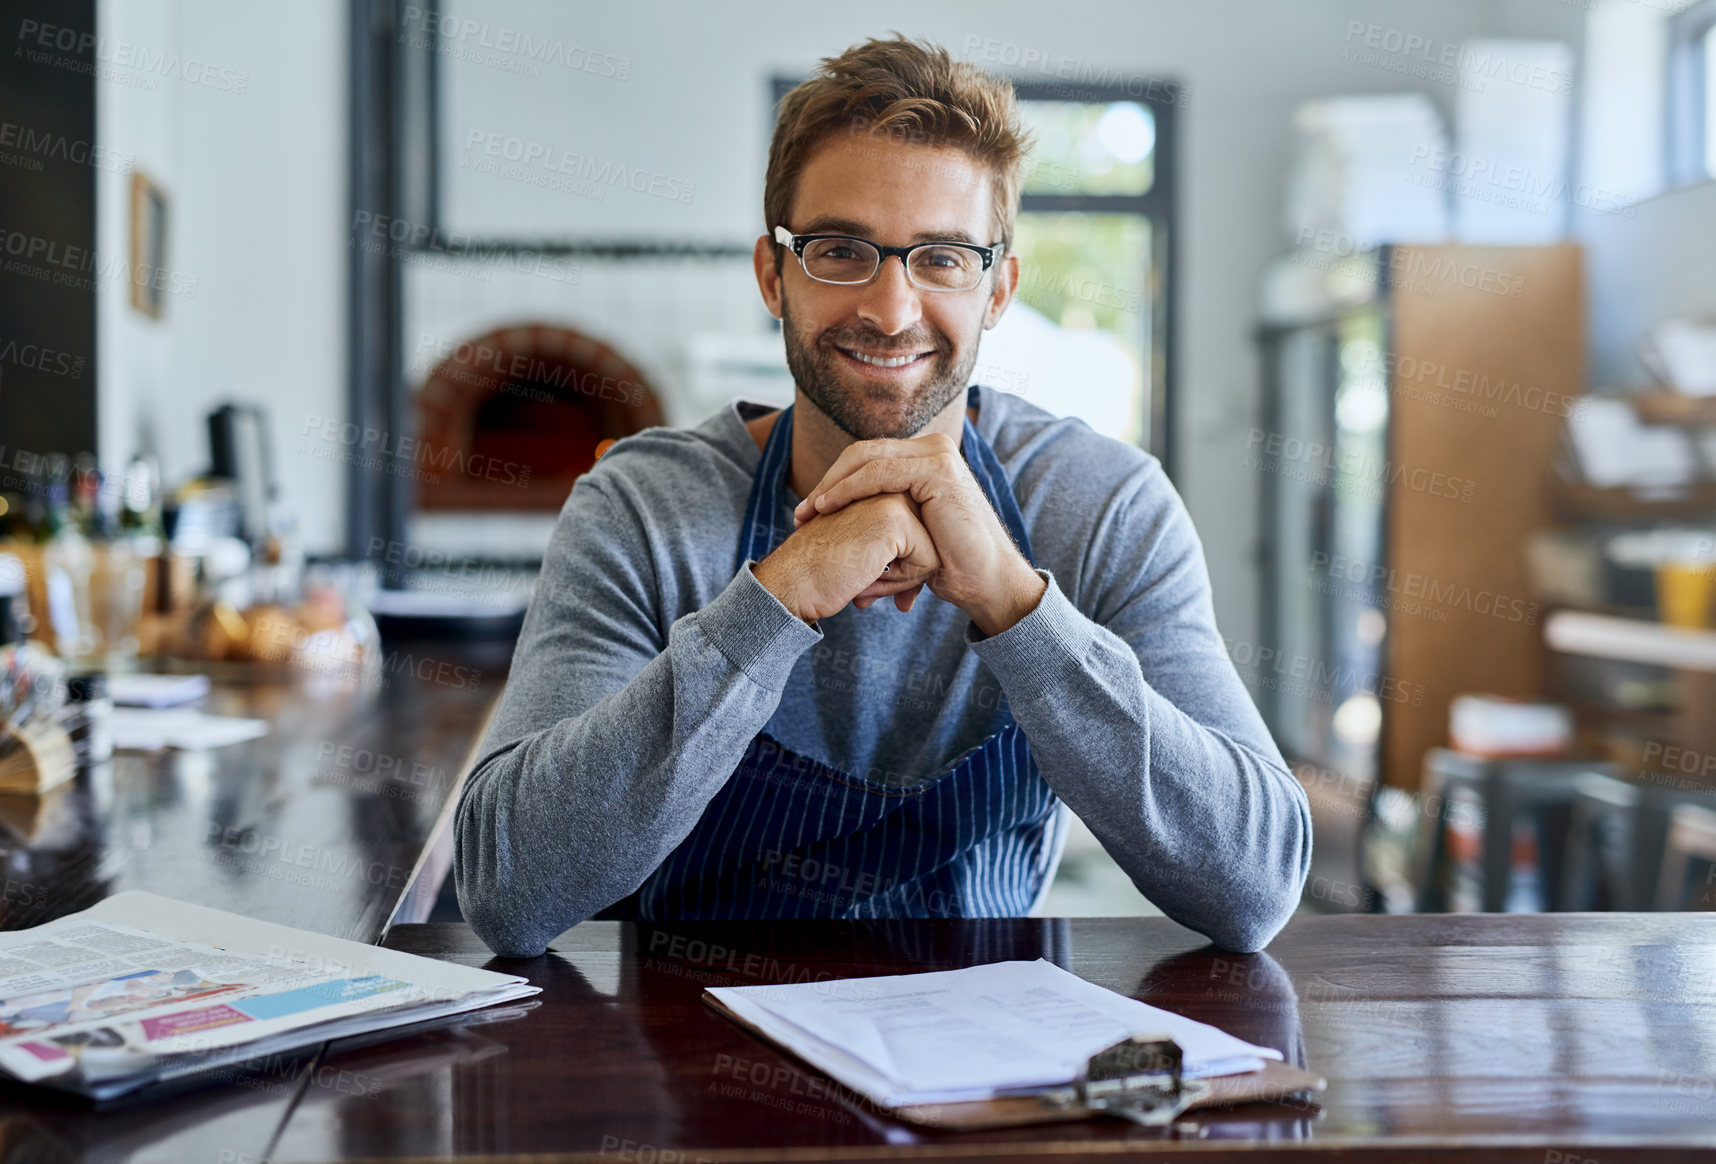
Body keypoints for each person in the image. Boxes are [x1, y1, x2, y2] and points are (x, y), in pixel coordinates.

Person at [455, 34, 1310, 958]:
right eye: (840, 250)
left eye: (942, 257)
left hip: (989, 1066)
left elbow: (1253, 887)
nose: (891, 309)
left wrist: (1016, 605)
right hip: (695, 1062)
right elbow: (510, 892)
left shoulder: (1102, 506)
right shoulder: (640, 509)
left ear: (999, 288)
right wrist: (776, 598)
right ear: (772, 276)